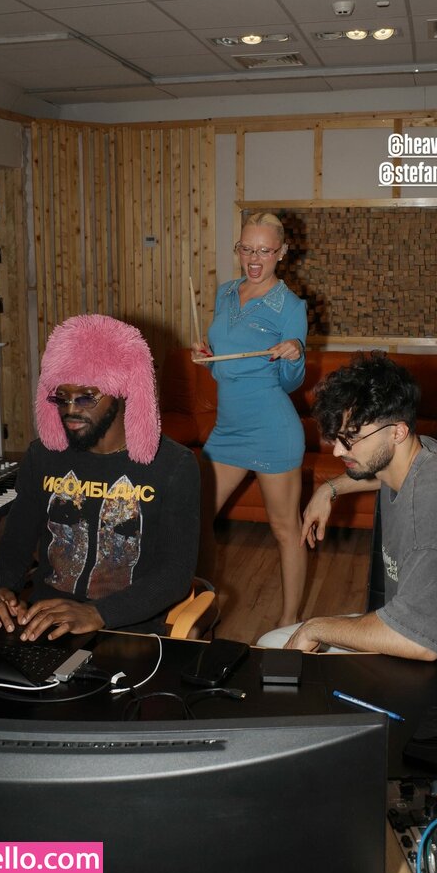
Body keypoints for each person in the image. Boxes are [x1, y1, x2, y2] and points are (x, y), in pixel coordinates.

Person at [258, 351, 437, 658]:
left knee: (276, 644)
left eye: (350, 438)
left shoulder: (430, 513)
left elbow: (417, 644)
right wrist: (330, 488)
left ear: (398, 431)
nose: (337, 451)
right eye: (337, 437)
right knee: (278, 641)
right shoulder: (427, 452)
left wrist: (315, 628)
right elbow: (382, 475)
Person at [0, 314, 200, 641]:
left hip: (127, 631)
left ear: (122, 391)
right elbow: (15, 543)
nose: (71, 410)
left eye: (86, 396)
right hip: (44, 623)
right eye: (61, 397)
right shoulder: (43, 457)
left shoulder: (173, 465)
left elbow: (174, 574)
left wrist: (97, 613)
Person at [192, 212, 307, 626]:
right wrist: (208, 358)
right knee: (196, 518)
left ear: (282, 253)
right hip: (228, 431)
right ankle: (198, 605)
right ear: (238, 248)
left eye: (264, 251)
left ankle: (288, 625)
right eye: (246, 249)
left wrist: (294, 354)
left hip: (272, 429)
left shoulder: (290, 306)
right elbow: (225, 369)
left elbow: (291, 382)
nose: (254, 259)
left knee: (285, 529)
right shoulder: (226, 293)